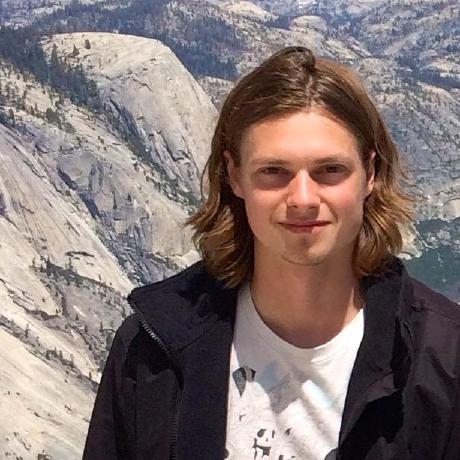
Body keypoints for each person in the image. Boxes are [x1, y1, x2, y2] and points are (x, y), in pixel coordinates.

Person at [83, 47, 460, 460]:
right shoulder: (153, 349)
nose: (303, 199)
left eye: (329, 170)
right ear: (235, 176)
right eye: (274, 172)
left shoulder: (441, 358)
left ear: (370, 173)